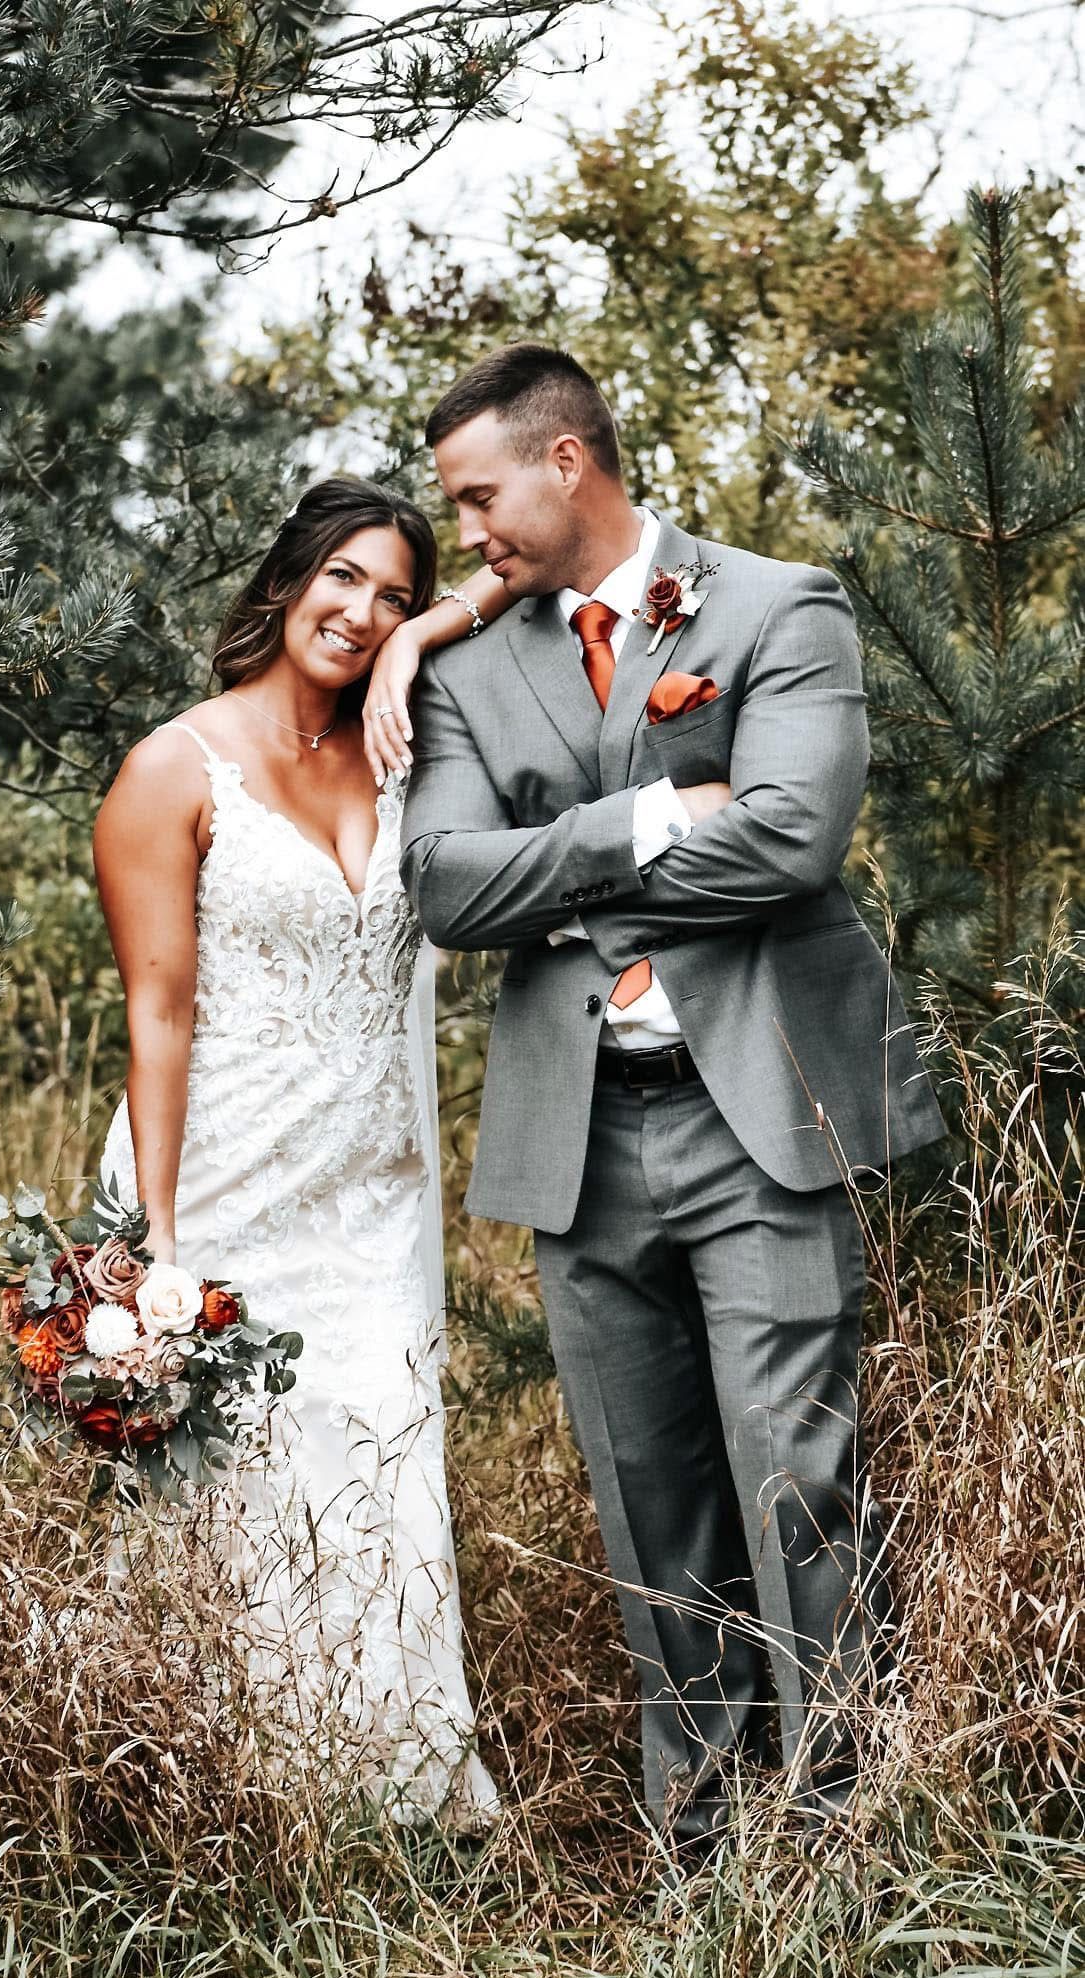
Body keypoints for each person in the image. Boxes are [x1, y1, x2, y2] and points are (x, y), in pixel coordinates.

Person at [393, 344, 947, 1857]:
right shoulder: (463, 667)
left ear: (564, 459)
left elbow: (788, 843)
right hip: (576, 1139)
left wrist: (556, 880)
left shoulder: (777, 605)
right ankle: (700, 1847)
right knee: (648, 1504)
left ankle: (842, 1841)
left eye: (478, 492)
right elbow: (443, 888)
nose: (466, 530)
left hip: (757, 1118)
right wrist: (639, 817)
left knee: (796, 1482)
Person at [91, 477, 509, 1831]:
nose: (361, 610)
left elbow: (522, 563)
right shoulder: (175, 766)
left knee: (381, 1459)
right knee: (239, 1485)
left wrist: (418, 641)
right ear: (287, 582)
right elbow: (155, 1011)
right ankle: (217, 1794)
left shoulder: (404, 746)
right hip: (219, 1172)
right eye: (343, 580)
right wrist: (155, 1240)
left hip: (375, 1185)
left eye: (391, 590)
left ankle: (395, 1799)